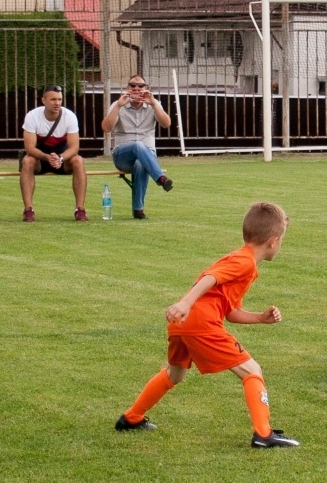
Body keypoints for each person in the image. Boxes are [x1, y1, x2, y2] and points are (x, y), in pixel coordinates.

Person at [115, 202, 299, 449]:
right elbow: (209, 278)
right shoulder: (244, 261)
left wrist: (259, 318)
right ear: (273, 242)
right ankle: (263, 435)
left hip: (183, 324)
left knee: (175, 374)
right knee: (252, 371)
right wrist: (185, 303)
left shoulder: (241, 260)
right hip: (198, 321)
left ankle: (131, 418)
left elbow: (230, 311)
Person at [101, 75, 174, 219]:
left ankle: (138, 210)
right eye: (132, 85)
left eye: (140, 86)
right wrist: (118, 106)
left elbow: (166, 124)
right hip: (122, 156)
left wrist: (153, 104)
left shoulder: (154, 104)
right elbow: (106, 128)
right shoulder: (118, 104)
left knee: (141, 164)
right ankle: (160, 178)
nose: (136, 89)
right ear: (127, 88)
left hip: (147, 156)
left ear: (146, 89)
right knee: (138, 145)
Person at [20, 84, 88, 222]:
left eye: (59, 99)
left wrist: (61, 158)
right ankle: (28, 210)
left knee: (78, 160)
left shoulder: (69, 116)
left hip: (61, 161)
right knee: (27, 161)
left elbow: (74, 148)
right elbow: (30, 148)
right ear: (43, 100)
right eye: (53, 100)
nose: (57, 103)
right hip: (40, 159)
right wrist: (46, 157)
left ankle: (80, 209)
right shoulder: (32, 116)